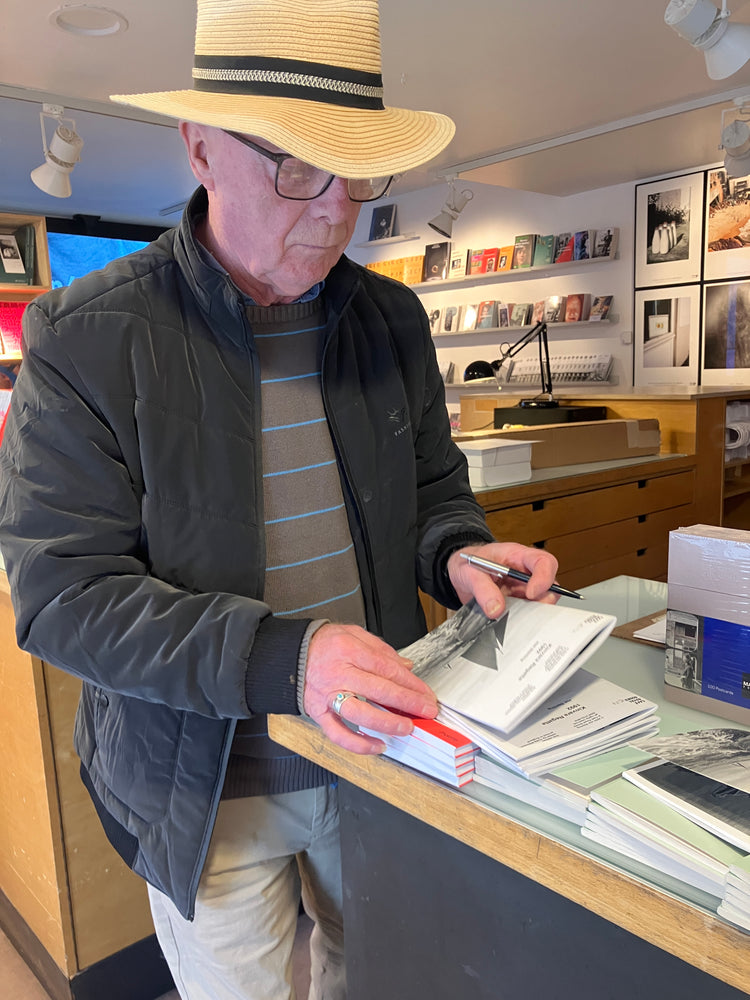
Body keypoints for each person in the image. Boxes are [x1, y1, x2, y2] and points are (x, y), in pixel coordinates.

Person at [0, 2, 558, 998]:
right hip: (202, 790)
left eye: (358, 173)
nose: (338, 209)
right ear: (200, 148)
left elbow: (432, 489)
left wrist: (457, 553)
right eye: (298, 166)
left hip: (383, 757)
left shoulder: (390, 318)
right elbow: (63, 598)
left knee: (378, 981)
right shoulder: (85, 335)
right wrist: (286, 659)